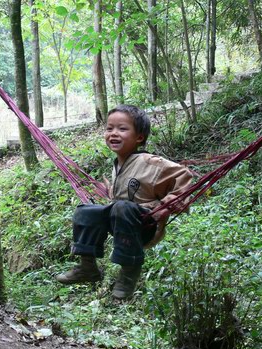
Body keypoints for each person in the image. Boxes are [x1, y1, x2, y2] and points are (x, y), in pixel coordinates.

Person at [55, 105, 193, 299]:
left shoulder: (149, 161)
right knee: (85, 211)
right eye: (109, 128)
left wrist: (167, 206)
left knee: (121, 207)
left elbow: (183, 174)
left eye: (122, 128)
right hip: (120, 221)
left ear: (139, 137)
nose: (113, 133)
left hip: (145, 224)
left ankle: (129, 274)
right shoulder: (119, 162)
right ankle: (88, 267)